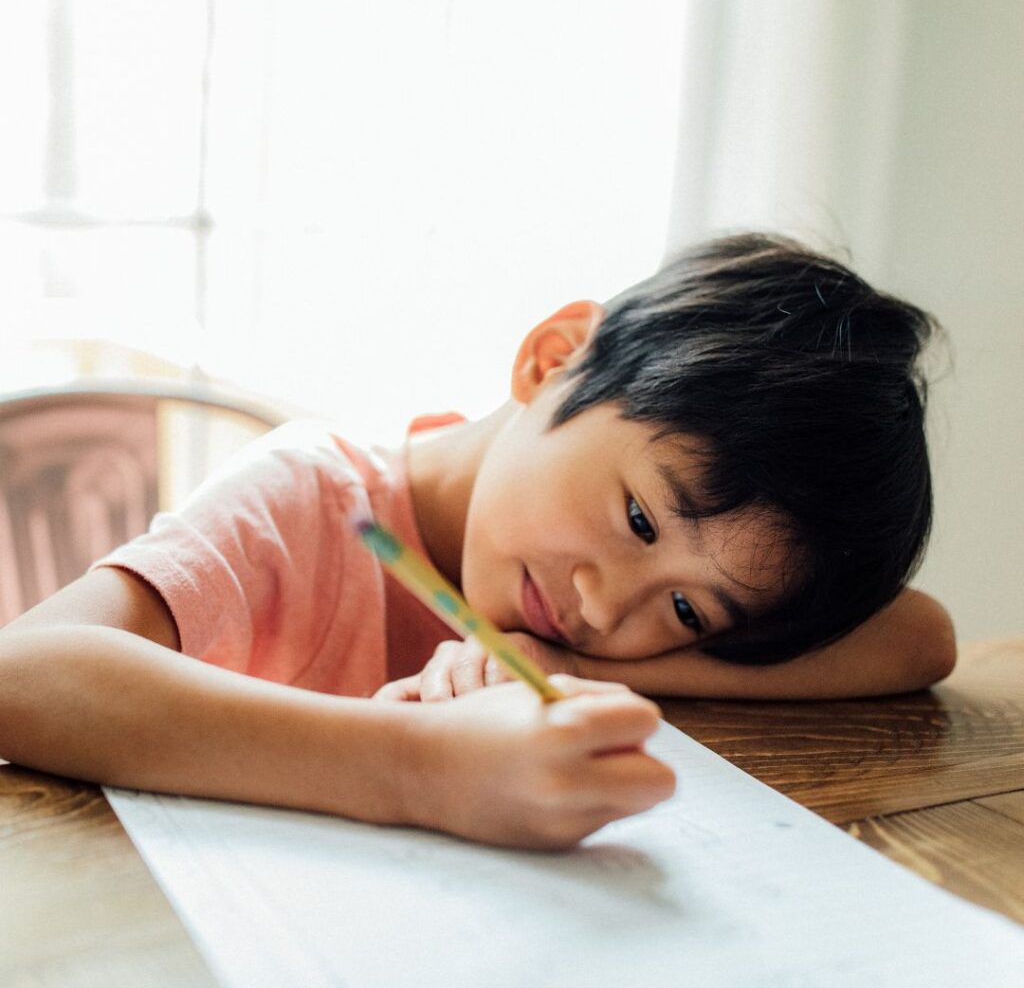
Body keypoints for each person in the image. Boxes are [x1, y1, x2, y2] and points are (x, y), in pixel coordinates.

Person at [0, 232, 955, 850]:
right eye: (637, 519)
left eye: (686, 609)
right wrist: (421, 766)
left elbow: (919, 638)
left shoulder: (585, 632)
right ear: (554, 359)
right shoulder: (310, 502)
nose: (602, 604)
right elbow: (25, 672)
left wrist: (574, 660)